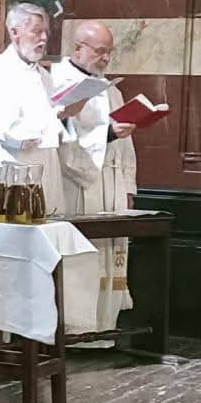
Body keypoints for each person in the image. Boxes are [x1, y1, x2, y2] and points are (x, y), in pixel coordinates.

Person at [55, 19, 137, 333]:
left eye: (109, 52)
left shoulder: (107, 87)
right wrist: (109, 135)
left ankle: (104, 328)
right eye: (100, 51)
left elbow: (125, 140)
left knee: (110, 256)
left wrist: (128, 183)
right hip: (81, 184)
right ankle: (77, 330)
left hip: (111, 183)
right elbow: (64, 138)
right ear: (78, 47)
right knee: (84, 256)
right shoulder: (60, 81)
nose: (105, 58)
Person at [0, 2, 81, 214]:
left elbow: (54, 123)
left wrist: (64, 116)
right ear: (14, 32)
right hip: (14, 168)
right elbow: (3, 128)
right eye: (37, 32)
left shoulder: (43, 75)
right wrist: (53, 118)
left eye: (45, 33)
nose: (43, 39)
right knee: (12, 238)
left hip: (46, 165)